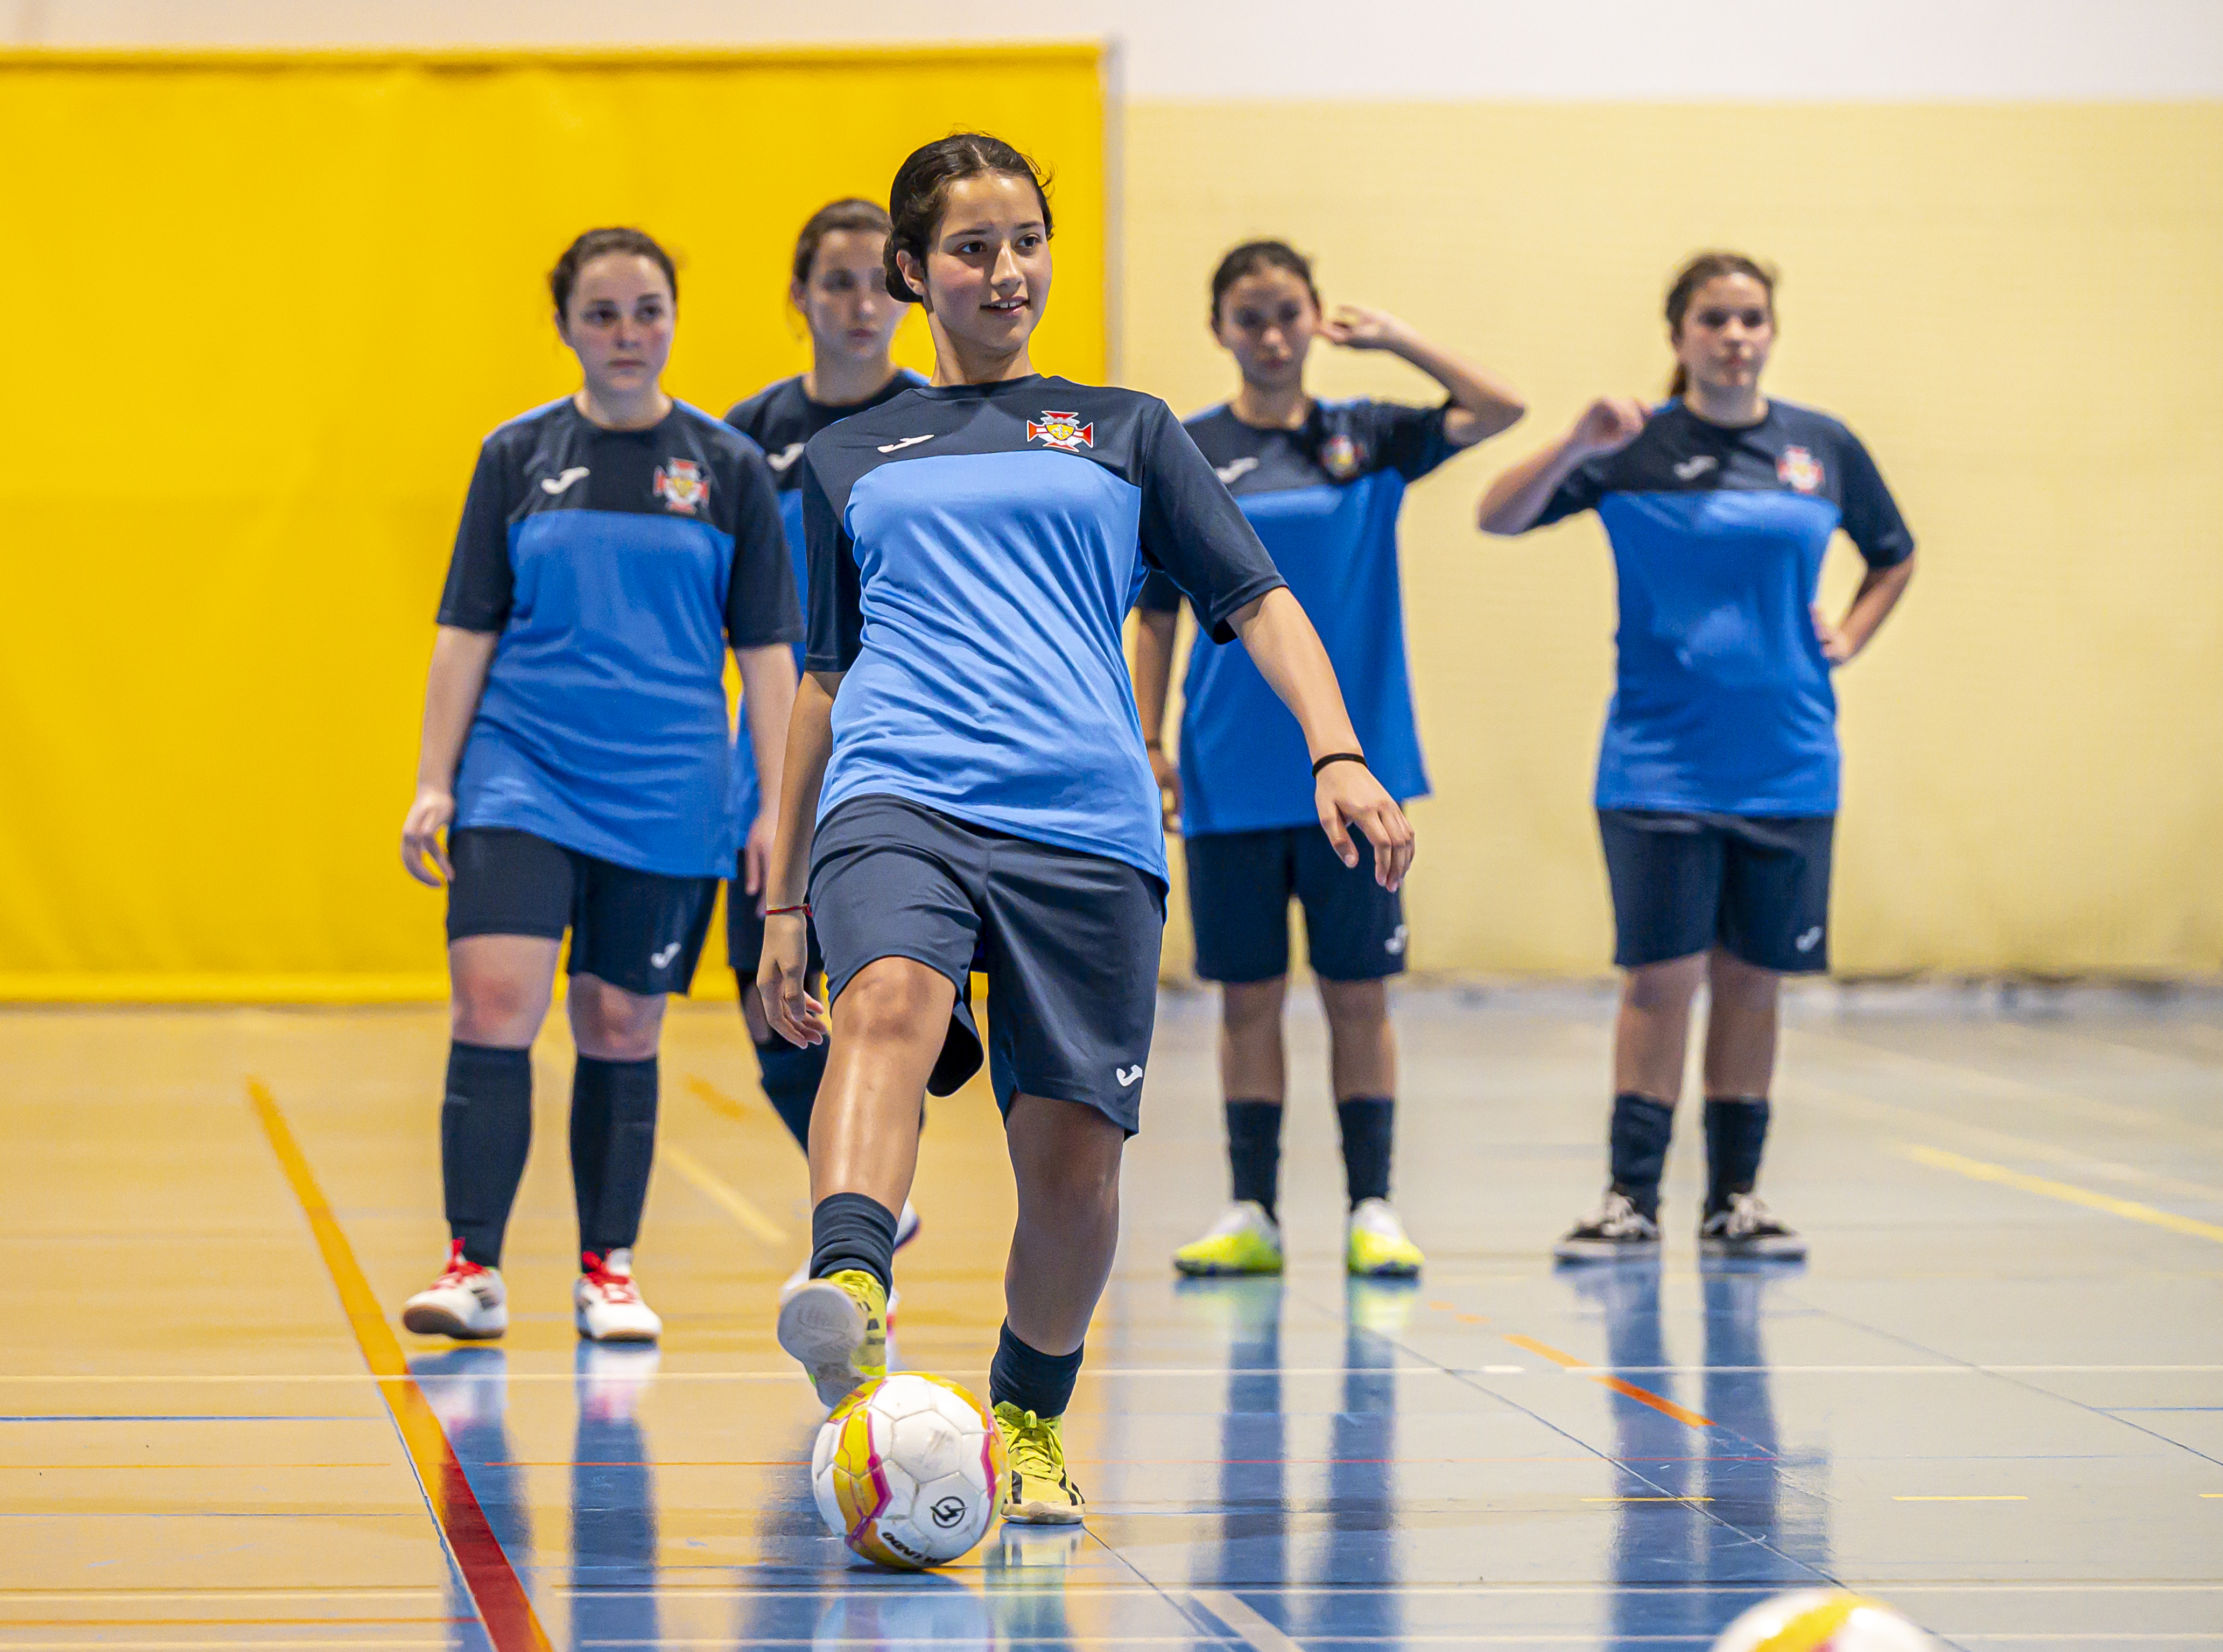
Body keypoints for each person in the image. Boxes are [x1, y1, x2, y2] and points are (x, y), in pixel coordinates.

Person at [756, 133, 1415, 1524]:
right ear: (912, 275)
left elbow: (1257, 598)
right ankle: (852, 1282)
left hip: (1083, 821)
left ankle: (1025, 1417)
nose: (1004, 272)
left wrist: (1337, 750)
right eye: (971, 248)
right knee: (886, 998)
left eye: (1024, 243)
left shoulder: (1128, 429)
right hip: (902, 787)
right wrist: (780, 887)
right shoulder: (844, 453)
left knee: (1072, 1161)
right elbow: (822, 673)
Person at [397, 227, 801, 1342]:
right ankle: (471, 1263)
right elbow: (463, 630)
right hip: (519, 774)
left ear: (675, 319)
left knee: (622, 1023)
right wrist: (436, 782)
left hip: (670, 789)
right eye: (602, 313)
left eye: (647, 311)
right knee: (495, 1003)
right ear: (567, 323)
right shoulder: (515, 456)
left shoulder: (727, 471)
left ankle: (606, 1268)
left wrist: (775, 804)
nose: (627, 333)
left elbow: (767, 652)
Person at [1475, 251, 1916, 1263]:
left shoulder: (1821, 447)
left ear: (1771, 330)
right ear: (1677, 336)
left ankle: (1737, 1198)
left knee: (1754, 981)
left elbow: (1894, 551)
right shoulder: (1632, 445)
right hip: (1656, 766)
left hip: (1791, 763)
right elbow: (1496, 515)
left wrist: (1851, 631)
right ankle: (1630, 1196)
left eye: (1751, 317)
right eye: (1713, 319)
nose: (1734, 336)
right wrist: (1572, 443)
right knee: (1661, 980)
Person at [1135, 239, 1522, 1282]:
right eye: (1248, 317)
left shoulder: (1366, 434)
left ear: (1314, 318)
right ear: (1219, 328)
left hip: (1358, 771)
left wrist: (1395, 338)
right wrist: (1150, 740)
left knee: (1360, 993)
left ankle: (1372, 1205)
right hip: (1226, 771)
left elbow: (1500, 409)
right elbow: (1157, 613)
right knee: (1246, 996)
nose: (1269, 335)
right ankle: (1252, 1208)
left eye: (1286, 313)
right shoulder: (1184, 447)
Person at [720, 199, 929, 1289]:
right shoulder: (741, 437)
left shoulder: (936, 422)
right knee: (771, 1006)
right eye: (835, 283)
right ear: (798, 295)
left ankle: (856, 1239)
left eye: (876, 285)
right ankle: (866, 1202)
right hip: (774, 754)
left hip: (893, 754)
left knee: (881, 1004)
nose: (859, 307)